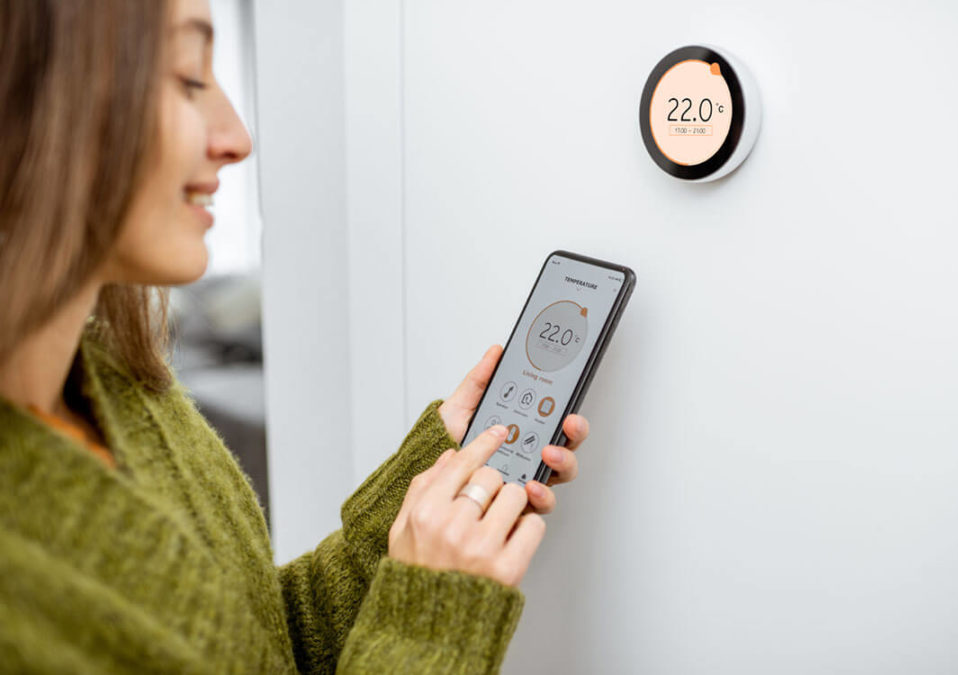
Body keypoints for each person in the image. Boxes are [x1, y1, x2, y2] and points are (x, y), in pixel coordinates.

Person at [0, 0, 591, 671]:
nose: (237, 137)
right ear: (30, 95)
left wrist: (417, 510)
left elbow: (257, 647)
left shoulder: (125, 388)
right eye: (190, 76)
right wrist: (431, 619)